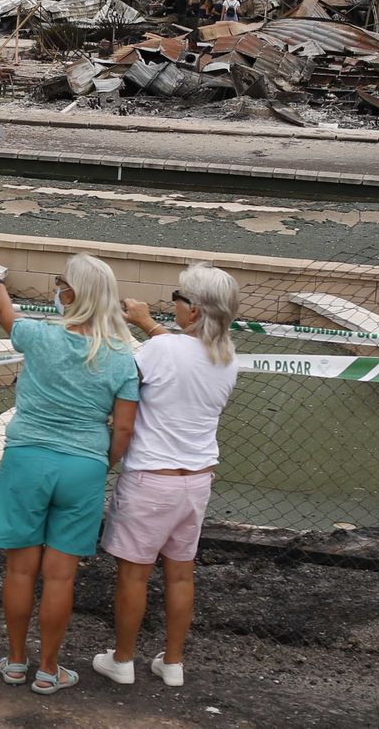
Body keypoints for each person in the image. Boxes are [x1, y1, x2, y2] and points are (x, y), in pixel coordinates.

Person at [0, 256, 139, 695]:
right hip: (83, 464)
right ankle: (49, 669)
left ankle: (14, 661)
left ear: (72, 294)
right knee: (62, 575)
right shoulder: (122, 357)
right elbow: (124, 426)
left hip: (26, 457)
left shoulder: (40, 336)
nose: (57, 288)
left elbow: (6, 317)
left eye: (61, 282)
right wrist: (103, 462)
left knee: (20, 571)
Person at [93, 264, 241, 689]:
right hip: (196, 481)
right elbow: (181, 355)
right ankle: (172, 662)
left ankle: (123, 660)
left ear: (193, 309)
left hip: (150, 479)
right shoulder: (228, 359)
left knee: (134, 573)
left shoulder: (161, 350)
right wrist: (149, 324)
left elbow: (123, 375)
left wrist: (132, 324)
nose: (173, 303)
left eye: (179, 297)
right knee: (180, 572)